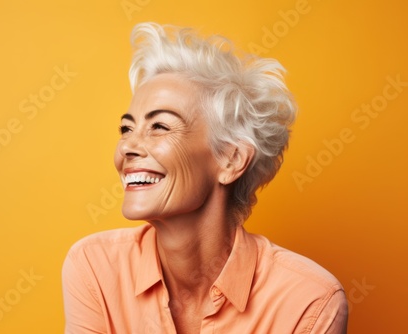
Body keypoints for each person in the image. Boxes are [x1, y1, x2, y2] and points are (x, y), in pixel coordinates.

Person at [62, 22, 348, 333]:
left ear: (231, 160)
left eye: (159, 126)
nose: (127, 147)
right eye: (126, 129)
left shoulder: (309, 301)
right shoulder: (95, 266)